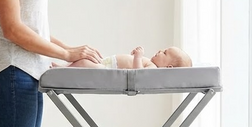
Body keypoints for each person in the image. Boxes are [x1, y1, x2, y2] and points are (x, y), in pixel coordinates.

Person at [55, 46, 192, 69]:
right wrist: (134, 56)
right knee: (85, 59)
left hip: (109, 69)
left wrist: (138, 57)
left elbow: (138, 74)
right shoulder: (151, 63)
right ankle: (65, 67)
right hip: (109, 63)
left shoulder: (153, 68)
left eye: (165, 53)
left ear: (168, 67)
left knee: (85, 62)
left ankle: (63, 69)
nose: (160, 51)